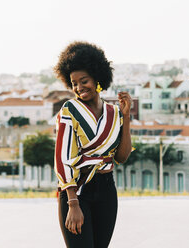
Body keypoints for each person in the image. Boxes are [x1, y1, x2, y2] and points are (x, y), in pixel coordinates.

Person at [53, 41, 132, 248]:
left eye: (84, 81)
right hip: (77, 191)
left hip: (107, 190)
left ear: (97, 78)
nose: (79, 88)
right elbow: (63, 159)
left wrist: (126, 117)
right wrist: (72, 203)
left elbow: (122, 157)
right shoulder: (69, 111)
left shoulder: (114, 113)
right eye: (74, 83)